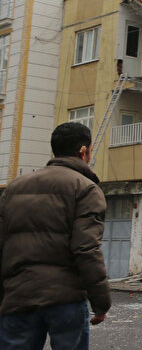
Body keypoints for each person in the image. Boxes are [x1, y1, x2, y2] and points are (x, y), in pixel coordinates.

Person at [0, 122, 110, 349]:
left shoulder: (13, 188)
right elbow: (86, 249)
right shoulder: (86, 188)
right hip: (65, 299)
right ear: (83, 151)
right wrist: (101, 303)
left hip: (18, 297)